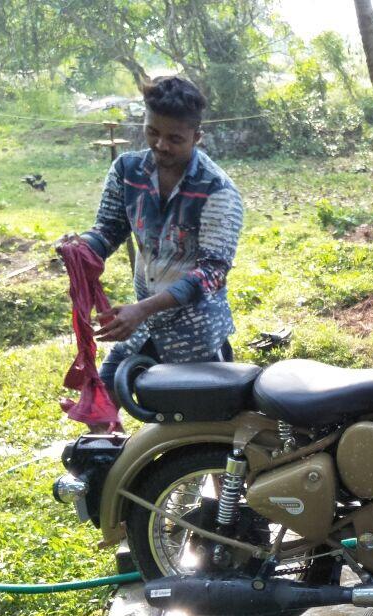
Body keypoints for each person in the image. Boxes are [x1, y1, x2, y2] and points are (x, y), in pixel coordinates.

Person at [57, 76, 243, 421]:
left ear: (196, 137)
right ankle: (105, 472)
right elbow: (108, 230)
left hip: (196, 334)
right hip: (141, 328)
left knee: (207, 430)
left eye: (175, 138)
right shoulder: (127, 171)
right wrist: (80, 248)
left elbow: (212, 274)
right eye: (152, 132)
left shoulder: (217, 190)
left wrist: (143, 309)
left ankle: (215, 476)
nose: (161, 145)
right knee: (102, 406)